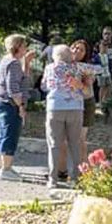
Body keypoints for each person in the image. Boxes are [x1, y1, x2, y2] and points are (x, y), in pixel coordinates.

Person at [42, 43, 85, 190]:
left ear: (55, 56)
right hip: (75, 108)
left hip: (55, 108)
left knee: (54, 144)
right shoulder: (77, 68)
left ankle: (52, 179)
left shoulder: (49, 68)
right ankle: (75, 178)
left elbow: (44, 86)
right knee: (74, 144)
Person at [0, 34, 32, 179]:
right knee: (10, 134)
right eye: (24, 45)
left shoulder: (6, 60)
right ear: (18, 46)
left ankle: (1, 166)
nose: (26, 48)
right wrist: (20, 105)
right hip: (9, 102)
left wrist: (26, 63)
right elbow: (13, 86)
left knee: (2, 134)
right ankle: (6, 169)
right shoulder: (14, 63)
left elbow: (21, 79)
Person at [69, 38, 98, 164]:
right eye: (75, 47)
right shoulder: (62, 64)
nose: (76, 50)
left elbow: (87, 90)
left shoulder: (87, 68)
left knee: (80, 138)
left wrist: (82, 83)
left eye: (81, 49)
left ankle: (84, 169)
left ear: (86, 54)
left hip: (85, 103)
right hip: (68, 104)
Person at [96, 26, 112, 103]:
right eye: (105, 34)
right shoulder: (98, 44)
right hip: (101, 72)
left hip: (110, 70)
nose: (107, 36)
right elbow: (94, 59)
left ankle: (107, 101)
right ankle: (101, 102)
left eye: (108, 34)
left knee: (109, 86)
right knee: (102, 87)